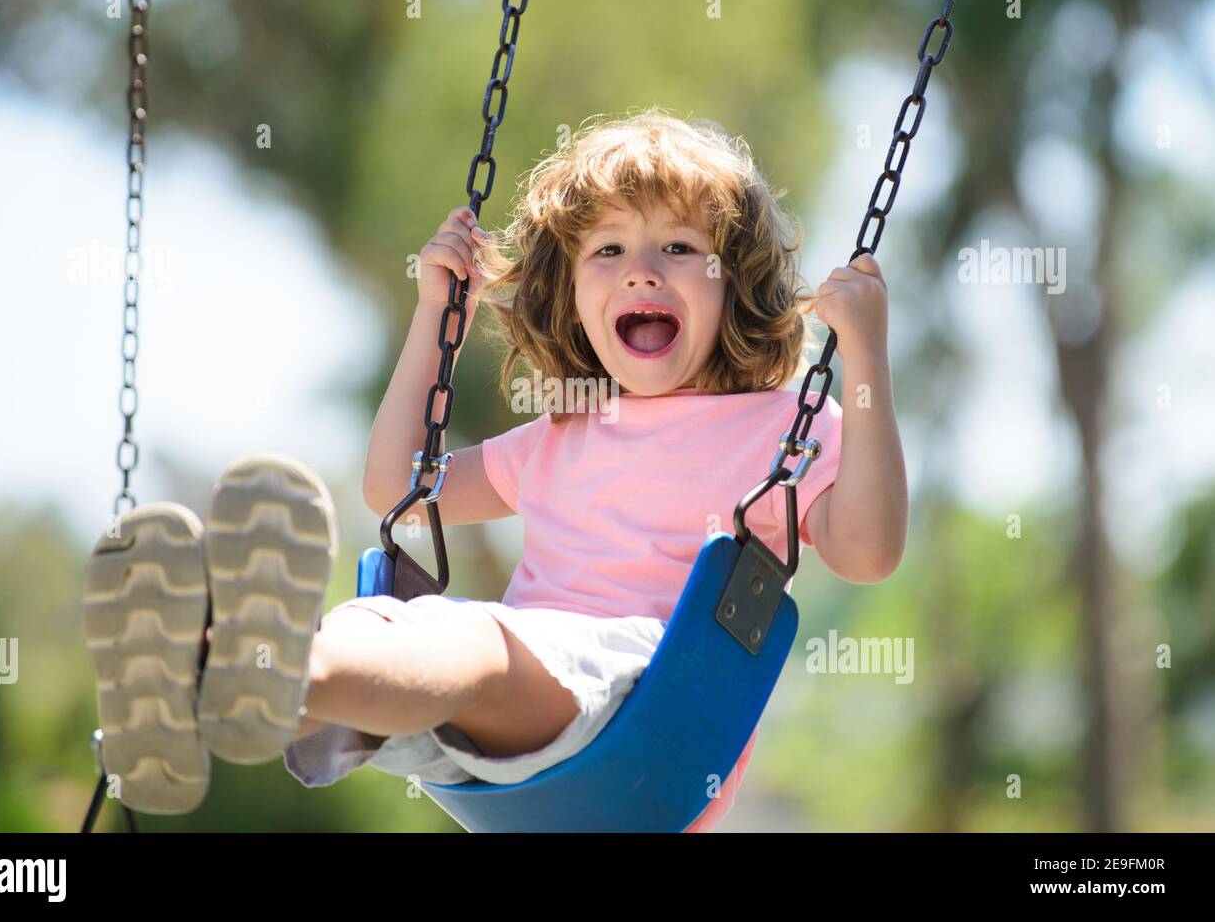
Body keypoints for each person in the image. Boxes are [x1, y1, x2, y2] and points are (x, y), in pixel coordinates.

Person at [81, 107, 908, 832]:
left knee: (470, 637)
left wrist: (865, 354)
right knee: (391, 626)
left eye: (681, 247)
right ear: (574, 297)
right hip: (502, 702)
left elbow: (867, 550)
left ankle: (268, 666)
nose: (641, 269)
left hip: (649, 702)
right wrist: (437, 313)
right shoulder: (562, 433)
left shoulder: (779, 426)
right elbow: (400, 488)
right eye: (609, 248)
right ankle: (217, 671)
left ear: (738, 284)